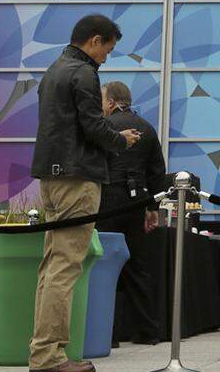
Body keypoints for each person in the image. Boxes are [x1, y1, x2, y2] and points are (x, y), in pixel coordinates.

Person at [29, 14, 140, 372]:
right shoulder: (84, 73)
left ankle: (43, 351)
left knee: (51, 265)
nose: (106, 57)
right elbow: (92, 125)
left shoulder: (53, 71)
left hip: (51, 176)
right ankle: (49, 356)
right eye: (107, 49)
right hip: (78, 178)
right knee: (65, 266)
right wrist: (120, 140)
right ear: (94, 41)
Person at [95, 80, 166, 346]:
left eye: (102, 100)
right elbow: (157, 171)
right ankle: (148, 331)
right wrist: (153, 208)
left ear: (111, 102)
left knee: (104, 267)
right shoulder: (147, 128)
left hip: (106, 200)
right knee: (138, 267)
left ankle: (108, 334)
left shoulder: (104, 127)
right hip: (136, 202)